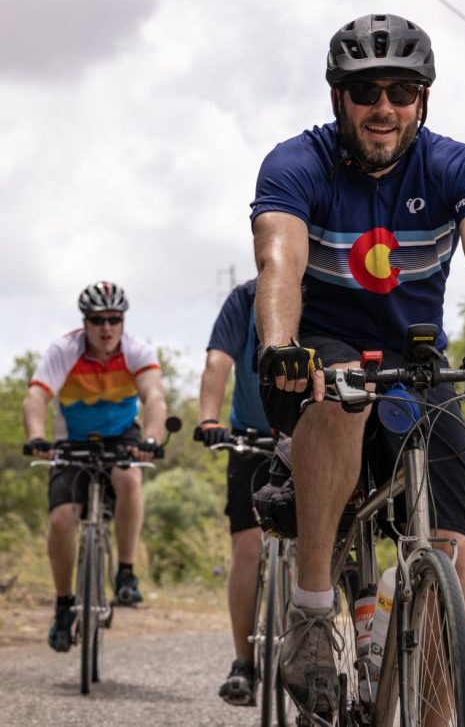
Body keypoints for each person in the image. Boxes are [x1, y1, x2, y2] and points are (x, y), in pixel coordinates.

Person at [250, 13, 465, 719]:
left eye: (401, 90)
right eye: (366, 92)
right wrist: (279, 348)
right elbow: (280, 258)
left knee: (453, 551)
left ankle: (432, 713)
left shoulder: (459, 166)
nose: (384, 107)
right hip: (318, 354)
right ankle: (308, 614)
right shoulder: (296, 164)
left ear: (423, 99)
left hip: (418, 364)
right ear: (339, 99)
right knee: (342, 400)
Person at [23, 280, 167, 653]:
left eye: (114, 320)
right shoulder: (64, 350)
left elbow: (154, 397)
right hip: (71, 440)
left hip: (121, 436)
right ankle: (63, 605)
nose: (106, 328)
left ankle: (125, 572)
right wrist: (37, 438)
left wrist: (150, 440)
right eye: (98, 320)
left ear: (122, 322)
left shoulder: (137, 351)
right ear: (85, 322)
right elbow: (36, 397)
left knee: (129, 478)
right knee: (61, 519)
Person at [193, 278, 272, 706]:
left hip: (316, 436)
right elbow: (218, 360)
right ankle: (244, 662)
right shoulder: (244, 299)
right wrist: (209, 419)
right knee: (248, 547)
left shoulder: (326, 285)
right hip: (251, 438)